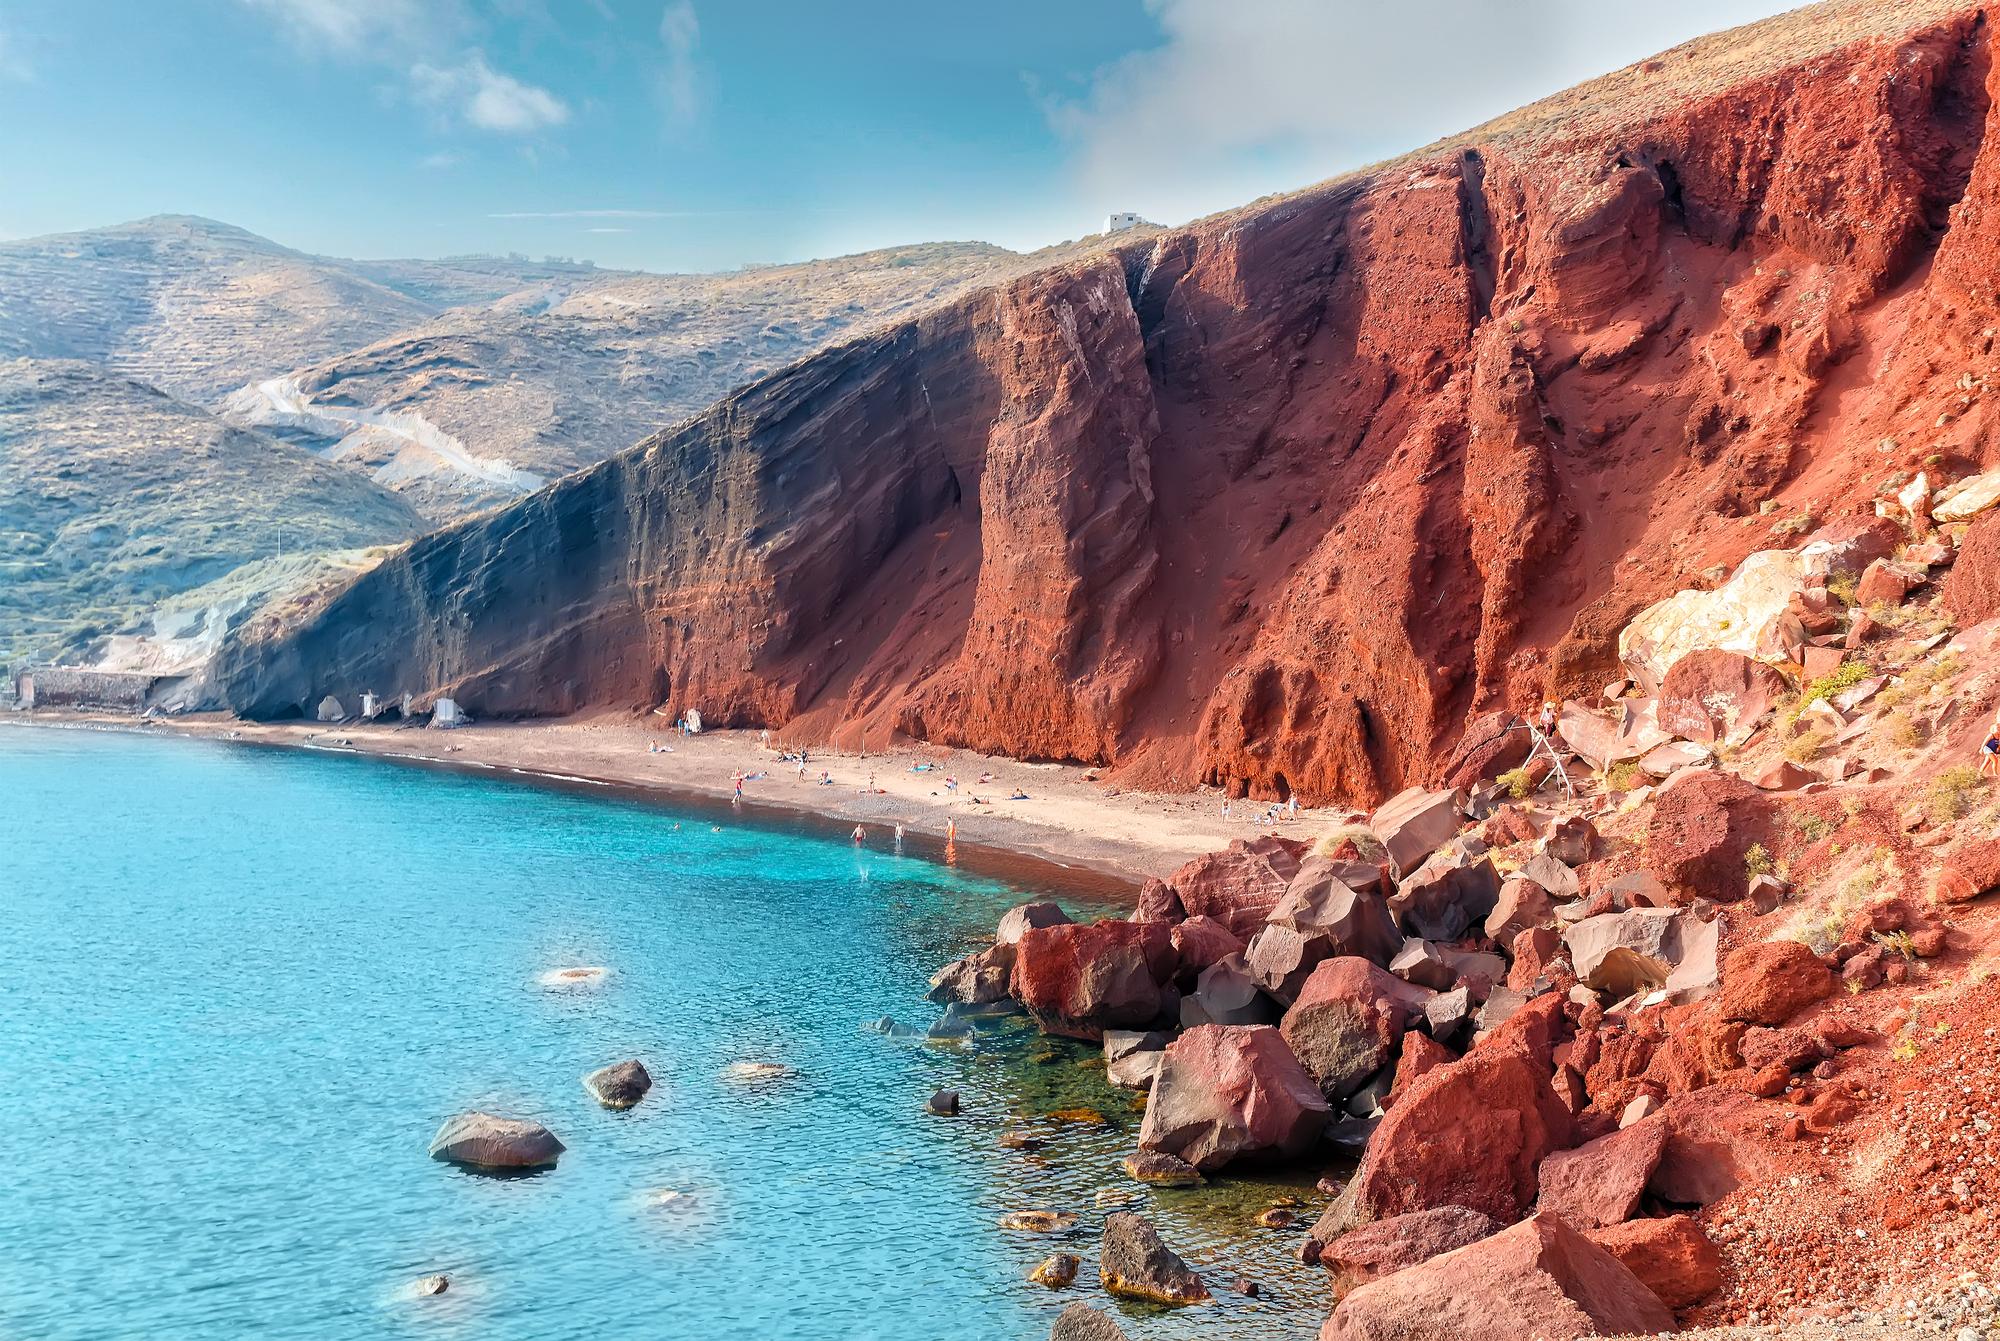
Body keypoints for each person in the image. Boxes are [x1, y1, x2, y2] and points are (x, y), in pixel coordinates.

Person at [1982, 712, 2000, 779]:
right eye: (1997, 728)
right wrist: (1981, 749)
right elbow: (1985, 742)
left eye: (1999, 728)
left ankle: (1980, 773)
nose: (1998, 729)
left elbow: (1999, 744)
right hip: (1987, 749)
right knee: (1995, 760)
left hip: (1992, 750)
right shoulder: (1991, 735)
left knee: (1986, 762)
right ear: (1994, 729)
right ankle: (1995, 774)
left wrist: (1998, 750)